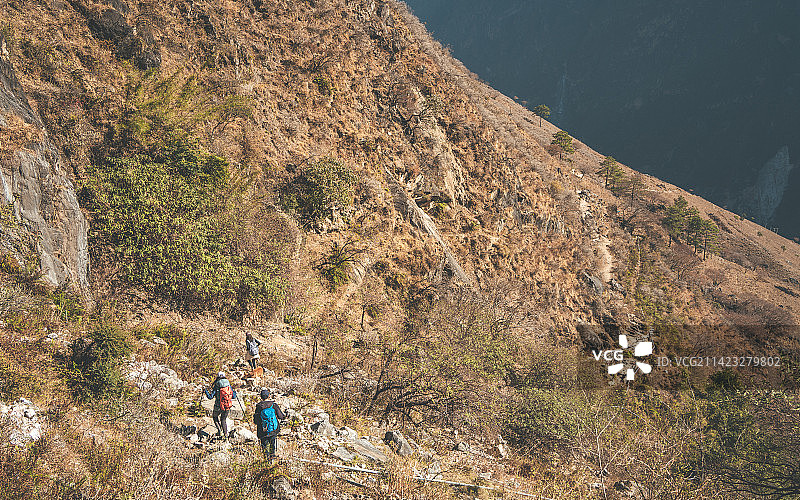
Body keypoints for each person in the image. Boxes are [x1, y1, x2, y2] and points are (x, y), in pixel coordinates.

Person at [254, 389, 285, 458]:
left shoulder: (259, 406)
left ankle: (266, 460)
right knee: (272, 445)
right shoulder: (274, 405)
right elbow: (281, 416)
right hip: (273, 429)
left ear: (261, 397)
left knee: (264, 446)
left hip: (263, 430)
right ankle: (272, 458)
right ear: (269, 396)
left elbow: (256, 421)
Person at [204, 371, 234, 440]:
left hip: (218, 406)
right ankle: (226, 435)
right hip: (227, 406)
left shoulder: (217, 385)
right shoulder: (228, 385)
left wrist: (206, 391)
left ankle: (220, 431)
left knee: (215, 417)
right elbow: (234, 396)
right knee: (223, 420)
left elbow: (210, 397)